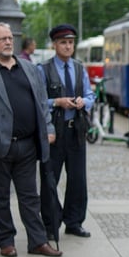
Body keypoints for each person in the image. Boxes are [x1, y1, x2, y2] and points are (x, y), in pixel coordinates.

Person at [0, 22, 62, 257]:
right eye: (2, 38)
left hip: (27, 144)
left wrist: (48, 128)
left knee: (30, 196)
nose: (8, 42)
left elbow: (41, 102)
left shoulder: (29, 69)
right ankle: (5, 239)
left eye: (10, 38)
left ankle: (37, 241)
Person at [38, 24, 96, 239]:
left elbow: (91, 95)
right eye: (63, 42)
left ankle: (74, 222)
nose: (67, 46)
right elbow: (38, 101)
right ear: (54, 45)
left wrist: (84, 102)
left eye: (71, 42)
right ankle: (50, 224)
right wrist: (57, 102)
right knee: (50, 180)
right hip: (55, 133)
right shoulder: (42, 69)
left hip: (76, 131)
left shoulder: (80, 68)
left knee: (78, 181)